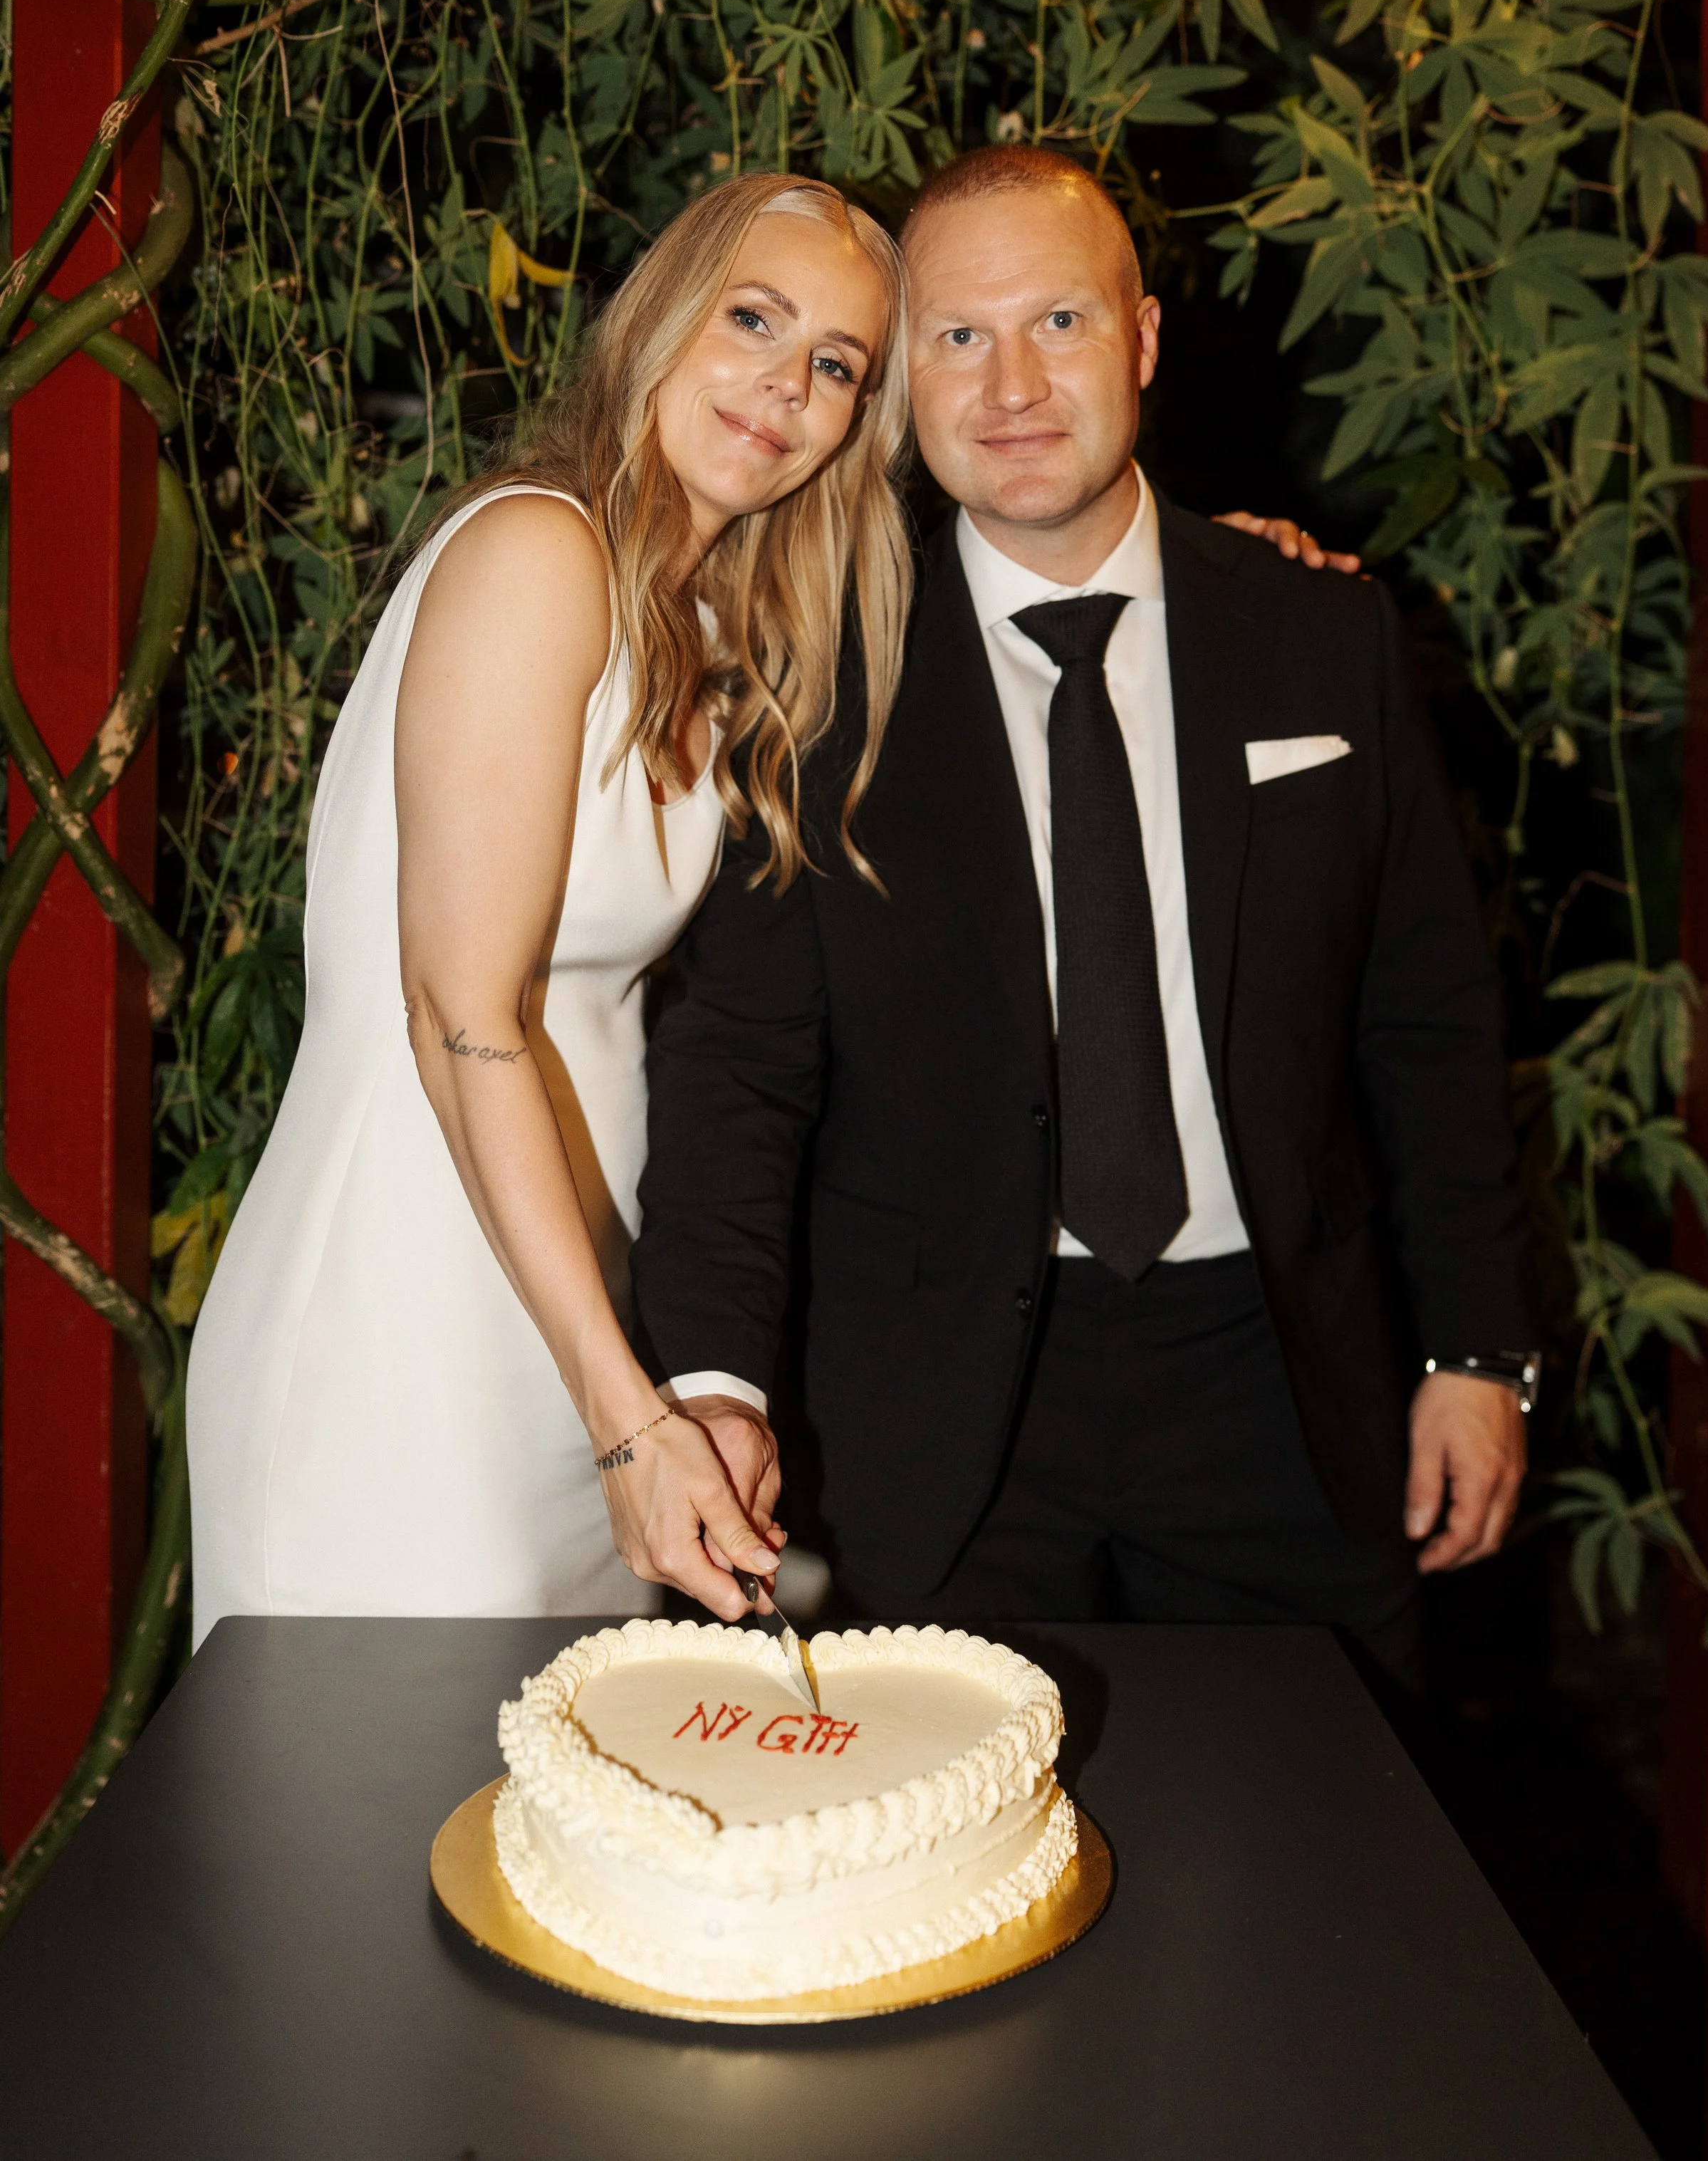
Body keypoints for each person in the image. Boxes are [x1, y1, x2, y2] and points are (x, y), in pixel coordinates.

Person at [631, 145, 1534, 1687]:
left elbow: (1425, 1024)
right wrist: (710, 1379)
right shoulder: (813, 679)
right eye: (953, 338)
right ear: (900, 383)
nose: (1008, 388)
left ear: (1142, 339)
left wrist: (1472, 1352)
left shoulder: (1318, 634)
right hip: (925, 1405)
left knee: (1322, 1860)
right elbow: (738, 1075)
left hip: (1275, 1378)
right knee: (940, 1876)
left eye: (1055, 321)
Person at [187, 174, 915, 1642]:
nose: (786, 386)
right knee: (364, 1839)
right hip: (401, 1319)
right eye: (753, 319)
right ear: (657, 321)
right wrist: (626, 1415)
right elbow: (463, 1010)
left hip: (566, 1328)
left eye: (834, 365)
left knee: (543, 1848)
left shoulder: (709, 625)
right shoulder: (537, 551)